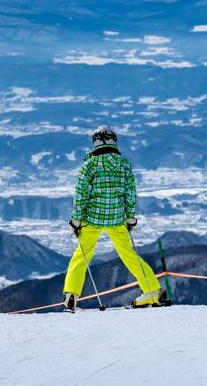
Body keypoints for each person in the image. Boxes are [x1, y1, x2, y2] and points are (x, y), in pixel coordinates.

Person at [63, 125, 163, 312]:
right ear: (113, 141)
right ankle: (152, 290)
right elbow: (130, 194)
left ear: (95, 142)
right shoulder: (124, 164)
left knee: (81, 255)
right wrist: (130, 218)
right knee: (129, 254)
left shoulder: (89, 165)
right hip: (117, 218)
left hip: (91, 218)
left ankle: (71, 295)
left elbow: (81, 195)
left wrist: (76, 220)